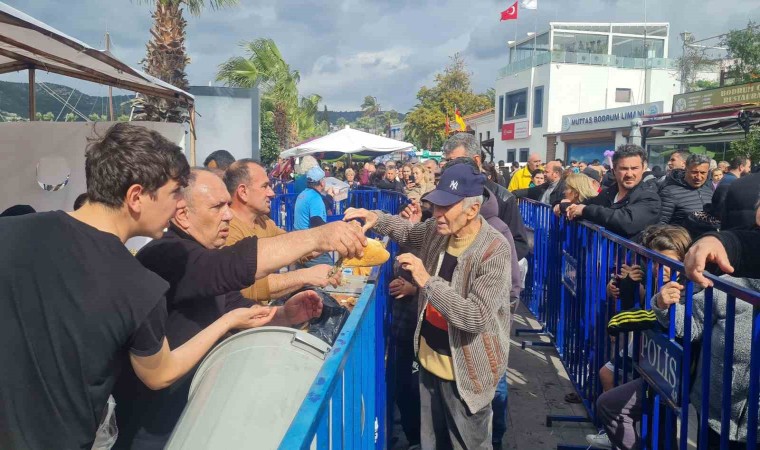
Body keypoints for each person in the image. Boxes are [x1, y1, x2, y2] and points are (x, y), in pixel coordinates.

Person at [0, 123, 258, 450]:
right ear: (136, 196)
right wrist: (228, 322)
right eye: (173, 193)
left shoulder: (10, 232)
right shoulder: (137, 285)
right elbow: (160, 373)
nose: (179, 205)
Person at [113, 167, 363, 448]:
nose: (228, 215)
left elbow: (235, 306)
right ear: (183, 215)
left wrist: (284, 315)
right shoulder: (167, 253)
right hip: (156, 429)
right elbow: (230, 268)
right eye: (218, 207)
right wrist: (317, 237)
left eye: (228, 206)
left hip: (197, 414)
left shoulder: (203, 254)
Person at [344, 163, 512, 449]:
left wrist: (425, 280)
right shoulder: (438, 230)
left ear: (472, 210)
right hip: (429, 364)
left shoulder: (494, 249)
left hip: (466, 376)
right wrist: (377, 217)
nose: (436, 214)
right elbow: (409, 233)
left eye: (446, 207)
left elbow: (475, 317)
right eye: (435, 205)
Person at [591, 225, 693, 450]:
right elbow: (634, 304)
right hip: (651, 359)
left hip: (674, 370)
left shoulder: (688, 289)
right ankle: (613, 437)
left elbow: (667, 323)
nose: (662, 269)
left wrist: (619, 322)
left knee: (663, 425)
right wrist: (625, 285)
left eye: (669, 262)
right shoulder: (651, 277)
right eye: (656, 262)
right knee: (613, 390)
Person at [223, 160, 341, 304]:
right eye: (265, 186)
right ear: (243, 192)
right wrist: (304, 275)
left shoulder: (264, 222)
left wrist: (334, 241)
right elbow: (244, 288)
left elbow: (296, 247)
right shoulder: (227, 230)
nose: (272, 193)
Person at [437, 133, 529, 261]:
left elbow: (519, 245)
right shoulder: (443, 190)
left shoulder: (503, 198)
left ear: (476, 160)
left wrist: (485, 261)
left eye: (454, 161)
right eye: (446, 161)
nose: (447, 166)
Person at [565, 144, 661, 240]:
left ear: (643, 168)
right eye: (624, 168)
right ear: (614, 169)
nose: (629, 174)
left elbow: (626, 222)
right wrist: (561, 206)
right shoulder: (607, 193)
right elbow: (580, 206)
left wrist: (585, 210)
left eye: (635, 168)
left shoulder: (650, 198)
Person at [293, 166, 337, 267]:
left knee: (303, 276)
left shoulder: (303, 194)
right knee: (330, 271)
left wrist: (329, 197)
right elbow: (316, 221)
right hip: (309, 243)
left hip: (298, 240)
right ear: (322, 182)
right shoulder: (315, 197)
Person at [658, 154, 713, 227]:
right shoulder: (670, 192)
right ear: (686, 170)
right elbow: (660, 225)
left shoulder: (709, 191)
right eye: (694, 172)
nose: (699, 177)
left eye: (703, 173)